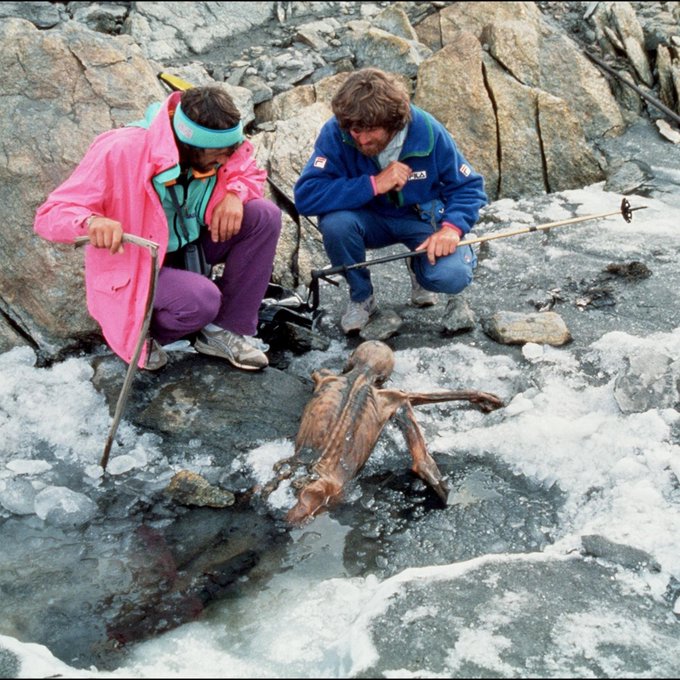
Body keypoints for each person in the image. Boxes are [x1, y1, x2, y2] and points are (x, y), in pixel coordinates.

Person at [35, 85, 281, 371]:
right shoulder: (121, 149)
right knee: (202, 299)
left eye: (230, 151)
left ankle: (222, 330)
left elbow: (245, 168)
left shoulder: (223, 150)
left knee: (264, 214)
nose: (225, 161)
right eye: (217, 154)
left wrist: (235, 194)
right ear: (187, 144)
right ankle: (146, 335)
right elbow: (50, 214)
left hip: (191, 247)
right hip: (138, 263)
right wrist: (91, 222)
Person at [293, 67, 487, 334]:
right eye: (354, 130)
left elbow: (469, 187)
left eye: (369, 130)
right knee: (335, 224)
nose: (360, 138)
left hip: (420, 218)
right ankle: (362, 297)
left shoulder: (427, 130)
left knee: (451, 276)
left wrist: (452, 229)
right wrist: (373, 184)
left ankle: (419, 268)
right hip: (365, 220)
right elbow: (306, 196)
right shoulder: (336, 133)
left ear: (393, 123)